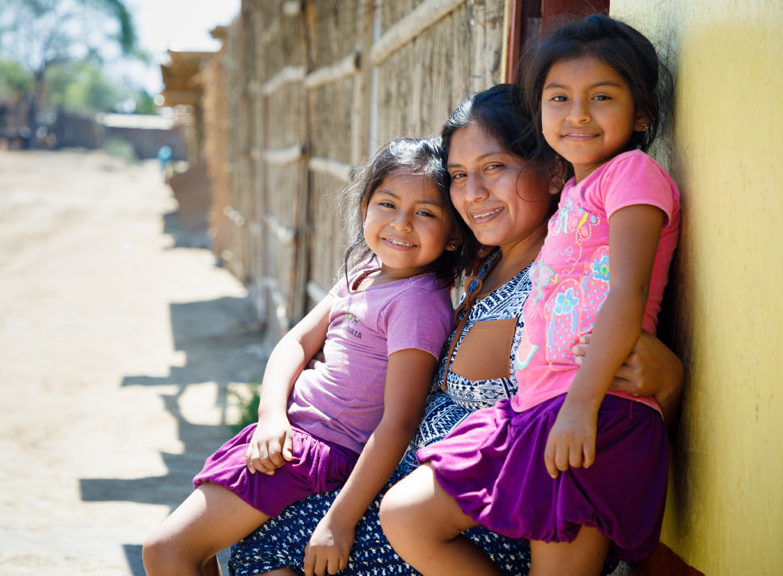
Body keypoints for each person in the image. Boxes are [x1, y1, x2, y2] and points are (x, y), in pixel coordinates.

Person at [228, 82, 684, 576]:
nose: (473, 193)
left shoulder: (561, 290)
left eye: (495, 168)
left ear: (554, 170)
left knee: (266, 550)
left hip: (480, 527)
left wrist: (668, 378)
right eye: (460, 175)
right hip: (418, 497)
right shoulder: (480, 270)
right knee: (262, 540)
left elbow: (624, 404)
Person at [381, 15, 680, 575]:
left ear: (640, 112)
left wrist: (581, 406)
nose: (578, 114)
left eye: (602, 97)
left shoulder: (632, 175)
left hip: (587, 413)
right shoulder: (572, 195)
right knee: (406, 515)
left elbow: (627, 293)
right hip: (535, 412)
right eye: (559, 97)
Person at [143, 137, 464, 576]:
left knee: (166, 550)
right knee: (191, 553)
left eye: (426, 213)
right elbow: (293, 343)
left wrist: (340, 519)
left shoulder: (416, 303)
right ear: (365, 205)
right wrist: (272, 415)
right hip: (288, 438)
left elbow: (398, 423)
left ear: (453, 236)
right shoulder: (366, 273)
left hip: (319, 456)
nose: (401, 224)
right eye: (387, 204)